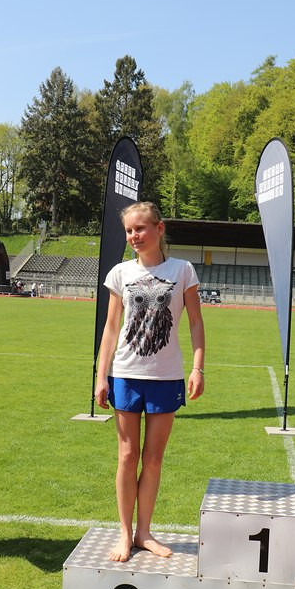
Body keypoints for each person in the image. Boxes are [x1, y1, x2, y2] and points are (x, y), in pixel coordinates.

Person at [95, 202, 206, 563]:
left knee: (153, 460)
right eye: (129, 231)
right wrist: (101, 375)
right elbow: (111, 328)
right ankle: (125, 533)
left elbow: (194, 323)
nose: (134, 237)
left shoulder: (183, 270)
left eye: (140, 229)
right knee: (127, 456)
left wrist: (198, 367)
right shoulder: (120, 273)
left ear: (160, 229)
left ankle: (145, 532)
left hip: (167, 375)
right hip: (126, 374)